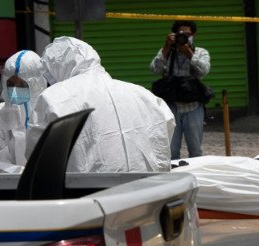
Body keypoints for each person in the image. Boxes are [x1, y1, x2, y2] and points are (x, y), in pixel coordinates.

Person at [27, 36, 175, 173]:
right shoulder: (140, 93)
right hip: (147, 189)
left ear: (55, 67)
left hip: (89, 193)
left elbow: (36, 153)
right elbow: (166, 123)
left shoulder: (53, 97)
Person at [150, 20, 210, 160]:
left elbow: (204, 71)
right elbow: (154, 69)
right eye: (180, 34)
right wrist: (166, 47)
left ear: (194, 35)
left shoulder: (200, 52)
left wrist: (189, 52)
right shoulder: (167, 51)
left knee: (195, 150)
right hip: (171, 107)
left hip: (193, 107)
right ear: (174, 35)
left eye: (187, 34)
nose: (184, 37)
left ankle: (197, 178)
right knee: (172, 151)